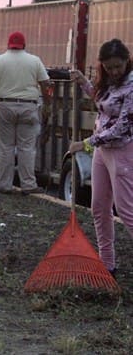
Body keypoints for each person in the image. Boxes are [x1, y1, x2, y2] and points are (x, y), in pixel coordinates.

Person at [69, 39, 133, 277]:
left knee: (127, 211)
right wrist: (84, 83)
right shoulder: (108, 84)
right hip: (102, 151)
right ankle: (107, 263)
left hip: (123, 151)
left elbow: (121, 128)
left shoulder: (132, 87)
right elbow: (102, 102)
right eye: (109, 67)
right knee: (99, 208)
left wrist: (85, 143)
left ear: (127, 61)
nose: (114, 71)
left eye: (118, 66)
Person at [0, 31, 51, 194]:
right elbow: (46, 83)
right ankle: (28, 184)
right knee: (27, 148)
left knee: (5, 147)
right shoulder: (34, 61)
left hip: (4, 106)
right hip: (29, 106)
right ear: (24, 45)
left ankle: (5, 184)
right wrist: (48, 105)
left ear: (8, 45)